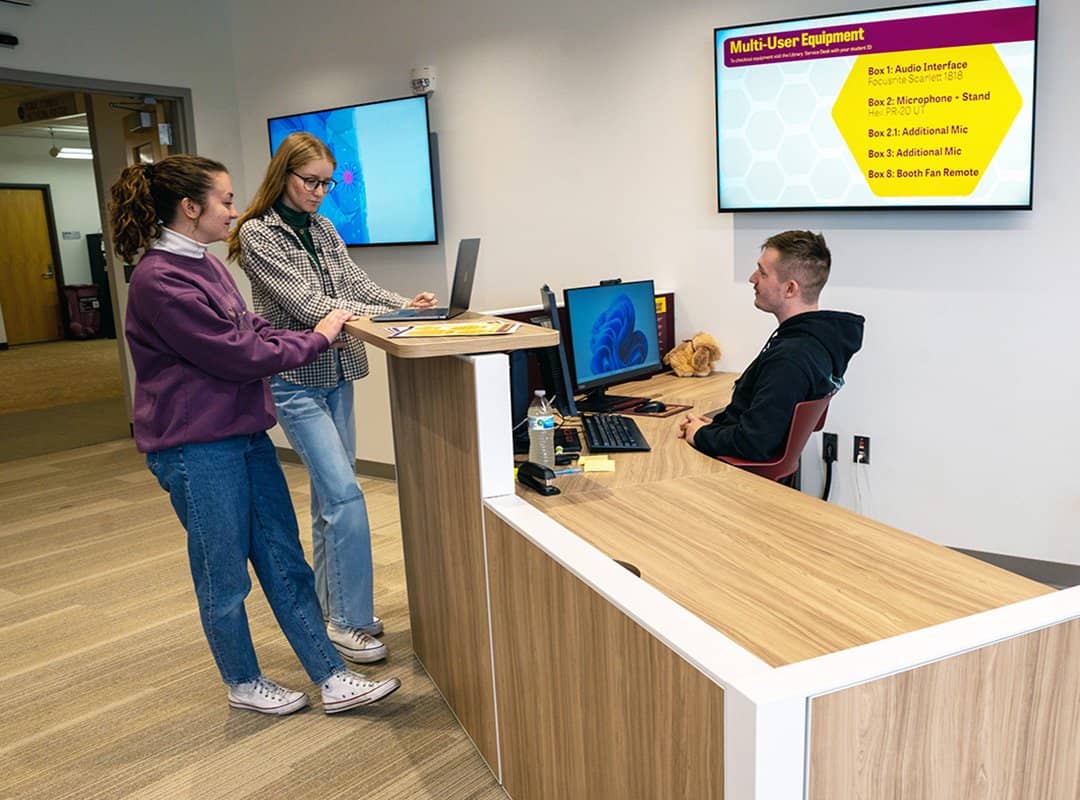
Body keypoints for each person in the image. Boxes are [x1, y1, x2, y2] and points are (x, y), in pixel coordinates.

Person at [112, 154, 401, 715]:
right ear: (190, 208)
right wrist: (314, 340)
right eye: (224, 200)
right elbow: (237, 354)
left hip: (242, 432)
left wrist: (313, 336)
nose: (234, 210)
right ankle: (243, 680)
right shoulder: (159, 280)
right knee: (224, 574)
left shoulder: (207, 263)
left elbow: (250, 326)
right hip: (195, 447)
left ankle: (331, 675)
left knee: (282, 556)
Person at [228, 132, 436, 665]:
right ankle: (349, 620)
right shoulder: (259, 233)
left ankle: (333, 607)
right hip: (295, 380)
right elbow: (307, 304)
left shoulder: (322, 228)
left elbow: (356, 284)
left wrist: (407, 306)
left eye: (328, 183)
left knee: (329, 499)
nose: (320, 193)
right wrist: (375, 315)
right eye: (310, 182)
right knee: (346, 496)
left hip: (339, 370)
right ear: (284, 176)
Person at [678, 230, 864, 461]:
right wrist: (717, 427)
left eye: (762, 273)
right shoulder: (816, 342)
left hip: (739, 477)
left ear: (790, 289)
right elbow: (763, 424)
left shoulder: (791, 359)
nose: (752, 278)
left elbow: (754, 443)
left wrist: (701, 435)